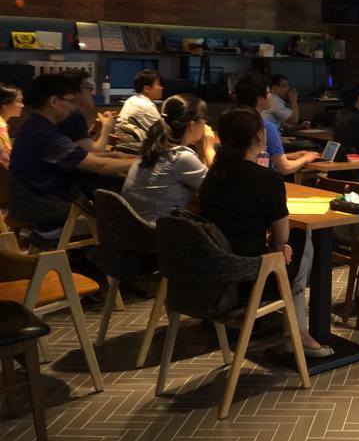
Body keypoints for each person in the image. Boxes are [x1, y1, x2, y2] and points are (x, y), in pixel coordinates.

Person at [199, 106, 331, 357]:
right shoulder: (267, 179)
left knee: (288, 248)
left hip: (214, 271)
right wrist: (278, 243)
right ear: (259, 136)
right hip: (252, 274)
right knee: (301, 239)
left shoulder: (212, 175)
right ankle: (296, 333)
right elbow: (281, 238)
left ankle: (289, 327)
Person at [9, 73, 135, 236]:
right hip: (54, 220)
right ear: (54, 101)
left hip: (41, 211)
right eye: (70, 101)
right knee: (130, 224)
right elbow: (100, 166)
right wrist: (144, 161)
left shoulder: (34, 126)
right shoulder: (44, 135)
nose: (72, 107)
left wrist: (120, 157)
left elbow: (83, 155)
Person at [122, 94, 210, 223]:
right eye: (204, 119)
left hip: (134, 228)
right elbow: (215, 190)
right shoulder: (181, 157)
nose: (205, 123)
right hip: (157, 232)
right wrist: (208, 148)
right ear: (191, 125)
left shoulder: (153, 148)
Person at [234, 73, 318, 175]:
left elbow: (252, 157)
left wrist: (287, 156)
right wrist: (306, 158)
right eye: (268, 92)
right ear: (259, 100)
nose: (271, 96)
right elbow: (285, 168)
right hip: (263, 179)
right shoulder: (266, 126)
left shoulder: (234, 121)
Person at [58, 70, 117, 153]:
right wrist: (107, 126)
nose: (93, 94)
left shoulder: (66, 112)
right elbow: (95, 152)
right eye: (89, 88)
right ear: (74, 92)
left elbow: (86, 146)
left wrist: (96, 129)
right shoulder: (73, 115)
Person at [117, 69, 163, 138]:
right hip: (138, 143)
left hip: (123, 141)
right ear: (147, 89)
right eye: (158, 84)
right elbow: (164, 132)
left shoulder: (131, 100)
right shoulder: (147, 106)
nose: (162, 88)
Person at [0, 84, 24, 168]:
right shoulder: (1, 126)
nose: (22, 105)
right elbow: (7, 160)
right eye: (19, 101)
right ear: (4, 104)